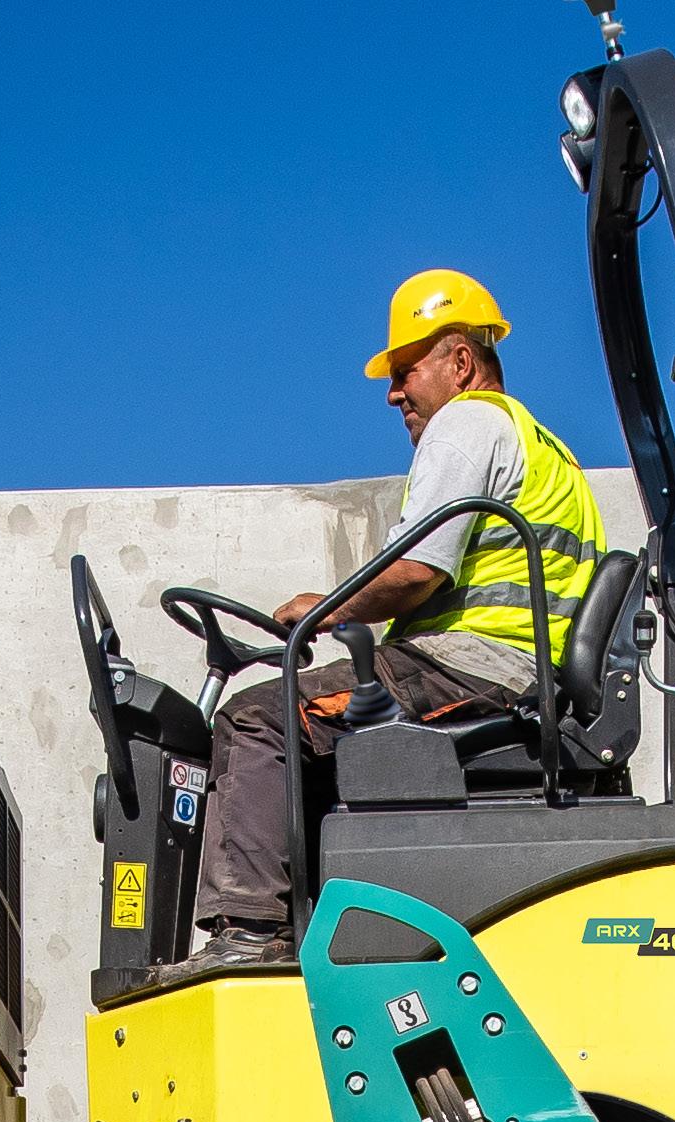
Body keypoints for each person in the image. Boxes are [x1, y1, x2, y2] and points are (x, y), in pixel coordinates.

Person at [193, 269, 609, 963]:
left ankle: (249, 936)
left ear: (460, 362)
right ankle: (309, 927)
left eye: (404, 371)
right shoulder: (544, 447)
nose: (393, 394)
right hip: (507, 668)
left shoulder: (466, 423)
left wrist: (323, 608)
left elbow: (416, 570)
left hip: (471, 666)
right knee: (311, 729)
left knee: (258, 719)